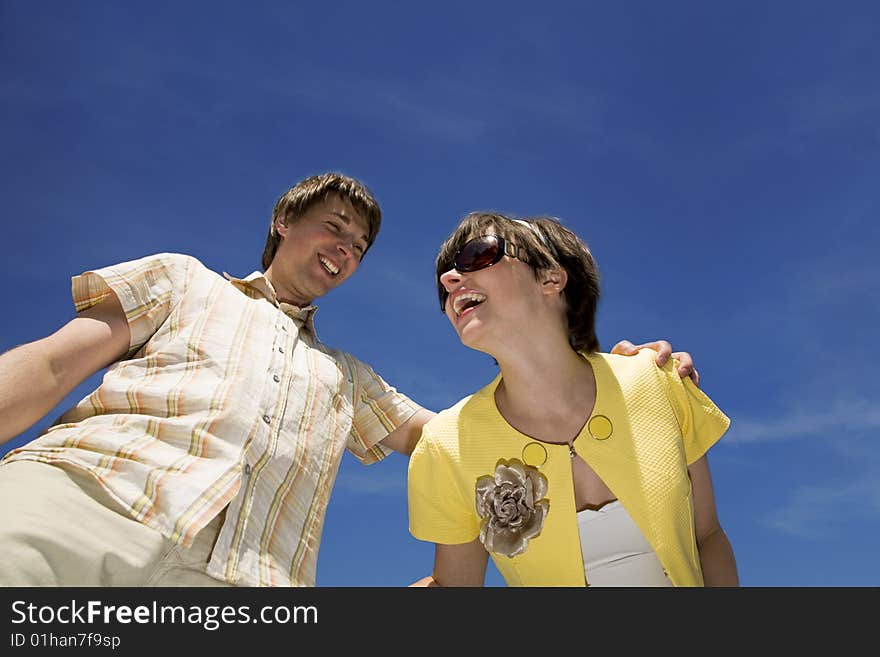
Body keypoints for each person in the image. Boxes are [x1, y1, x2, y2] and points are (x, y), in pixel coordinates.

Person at [0, 173, 696, 586]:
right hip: (81, 503)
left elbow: (467, 435)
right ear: (283, 222)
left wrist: (605, 379)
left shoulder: (349, 380)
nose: (346, 249)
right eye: (334, 228)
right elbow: (57, 362)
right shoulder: (183, 281)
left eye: (358, 247)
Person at [407, 212, 738, 587]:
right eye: (444, 284)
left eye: (476, 256)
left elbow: (706, 536)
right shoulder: (445, 444)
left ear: (551, 277)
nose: (450, 280)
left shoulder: (660, 381)